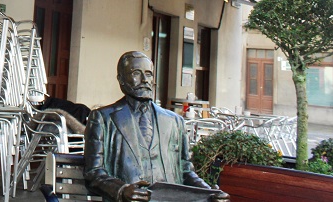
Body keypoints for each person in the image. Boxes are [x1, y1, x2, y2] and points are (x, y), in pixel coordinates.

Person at [84, 51, 228, 202]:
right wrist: (121, 190)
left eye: (148, 74)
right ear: (121, 79)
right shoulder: (102, 118)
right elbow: (93, 173)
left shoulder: (175, 121)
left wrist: (209, 192)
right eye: (136, 73)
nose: (145, 80)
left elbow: (186, 171)